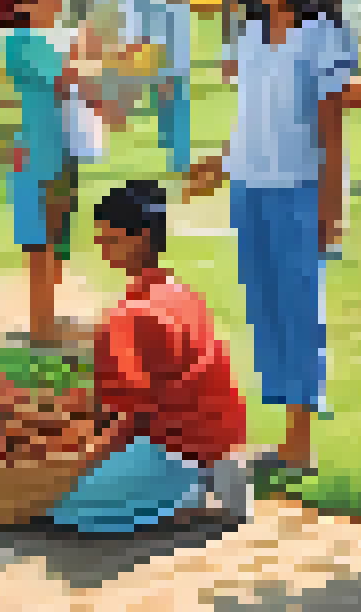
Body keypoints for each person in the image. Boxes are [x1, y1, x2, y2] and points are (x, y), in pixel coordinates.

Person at [186, 0, 358, 477]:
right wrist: (219, 163)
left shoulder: (320, 29)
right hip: (248, 188)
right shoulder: (250, 32)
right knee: (264, 309)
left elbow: (331, 124)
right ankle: (285, 435)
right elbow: (251, 116)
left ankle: (301, 441)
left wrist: (334, 204)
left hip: (299, 189)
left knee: (301, 311)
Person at [45, 179, 255, 529]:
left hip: (177, 449)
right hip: (221, 441)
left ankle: (176, 501)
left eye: (109, 239)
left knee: (61, 506)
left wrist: (76, 464)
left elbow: (124, 417)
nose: (100, 247)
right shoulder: (181, 292)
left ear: (139, 239)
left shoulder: (130, 314)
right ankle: (192, 485)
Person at [0, 0, 97, 346]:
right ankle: (41, 326)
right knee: (40, 242)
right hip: (37, 154)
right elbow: (65, 80)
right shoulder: (22, 41)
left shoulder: (49, 39)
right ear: (23, 1)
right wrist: (87, 43)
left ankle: (48, 318)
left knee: (57, 238)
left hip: (59, 151)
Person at [150, 0, 198, 176]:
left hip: (172, 74)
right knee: (173, 120)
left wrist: (165, 77)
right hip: (175, 73)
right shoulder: (181, 12)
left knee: (174, 121)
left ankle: (179, 165)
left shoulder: (173, 13)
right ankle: (178, 163)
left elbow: (170, 48)